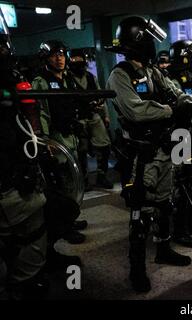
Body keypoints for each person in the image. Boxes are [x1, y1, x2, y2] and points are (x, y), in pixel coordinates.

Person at [106, 16, 192, 293]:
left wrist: (184, 102)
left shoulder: (153, 70)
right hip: (140, 154)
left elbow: (174, 93)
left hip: (163, 148)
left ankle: (164, 248)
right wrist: (170, 110)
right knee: (140, 210)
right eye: (150, 40)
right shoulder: (120, 74)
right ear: (139, 41)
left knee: (165, 203)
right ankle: (137, 269)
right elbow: (135, 110)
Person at [0, 13, 48, 299]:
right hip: (7, 186)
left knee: (31, 233)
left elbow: (25, 122)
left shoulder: (11, 81)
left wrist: (32, 157)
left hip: (16, 176)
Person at [32, 41, 87, 246]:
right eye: (55, 55)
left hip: (69, 135)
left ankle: (70, 217)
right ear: (46, 58)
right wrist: (45, 140)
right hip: (55, 138)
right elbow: (41, 112)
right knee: (62, 182)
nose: (60, 58)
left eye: (62, 54)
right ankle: (65, 227)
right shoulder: (41, 81)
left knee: (74, 180)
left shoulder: (68, 78)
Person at [168, 39, 192, 248]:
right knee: (181, 184)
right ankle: (180, 230)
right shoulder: (171, 78)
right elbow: (181, 104)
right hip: (179, 135)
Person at [69, 48, 113, 190]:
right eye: (74, 61)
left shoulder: (90, 76)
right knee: (81, 150)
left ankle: (101, 175)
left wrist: (105, 115)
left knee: (104, 145)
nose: (77, 63)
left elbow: (100, 95)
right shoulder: (67, 78)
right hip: (78, 118)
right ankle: (84, 179)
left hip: (93, 115)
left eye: (79, 61)